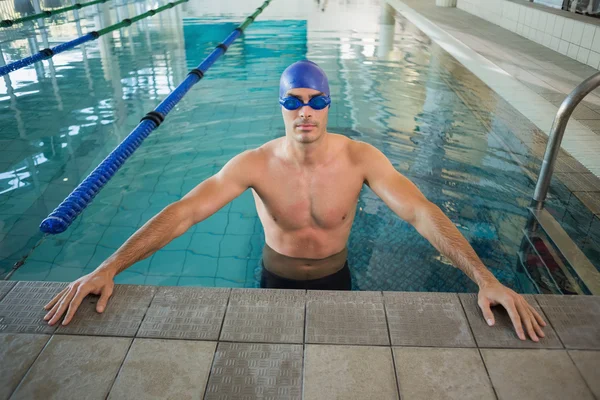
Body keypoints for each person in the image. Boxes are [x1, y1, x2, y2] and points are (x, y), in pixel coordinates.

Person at [44, 60, 546, 342]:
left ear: (329, 104)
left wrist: (486, 278)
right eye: (293, 101)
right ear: (280, 105)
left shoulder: (361, 158)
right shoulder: (254, 164)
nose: (305, 111)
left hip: (337, 279)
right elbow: (186, 211)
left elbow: (419, 210)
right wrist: (109, 267)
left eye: (316, 100)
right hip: (273, 280)